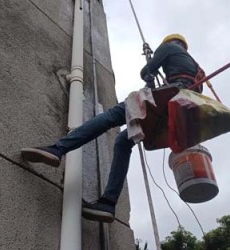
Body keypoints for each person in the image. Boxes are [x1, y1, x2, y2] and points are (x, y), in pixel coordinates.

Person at [21, 34, 203, 223]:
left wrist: (149, 70)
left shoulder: (168, 48)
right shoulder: (197, 69)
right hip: (180, 111)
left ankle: (57, 149)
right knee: (123, 142)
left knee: (112, 116)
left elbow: (146, 71)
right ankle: (108, 203)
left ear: (172, 42)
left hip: (171, 97)